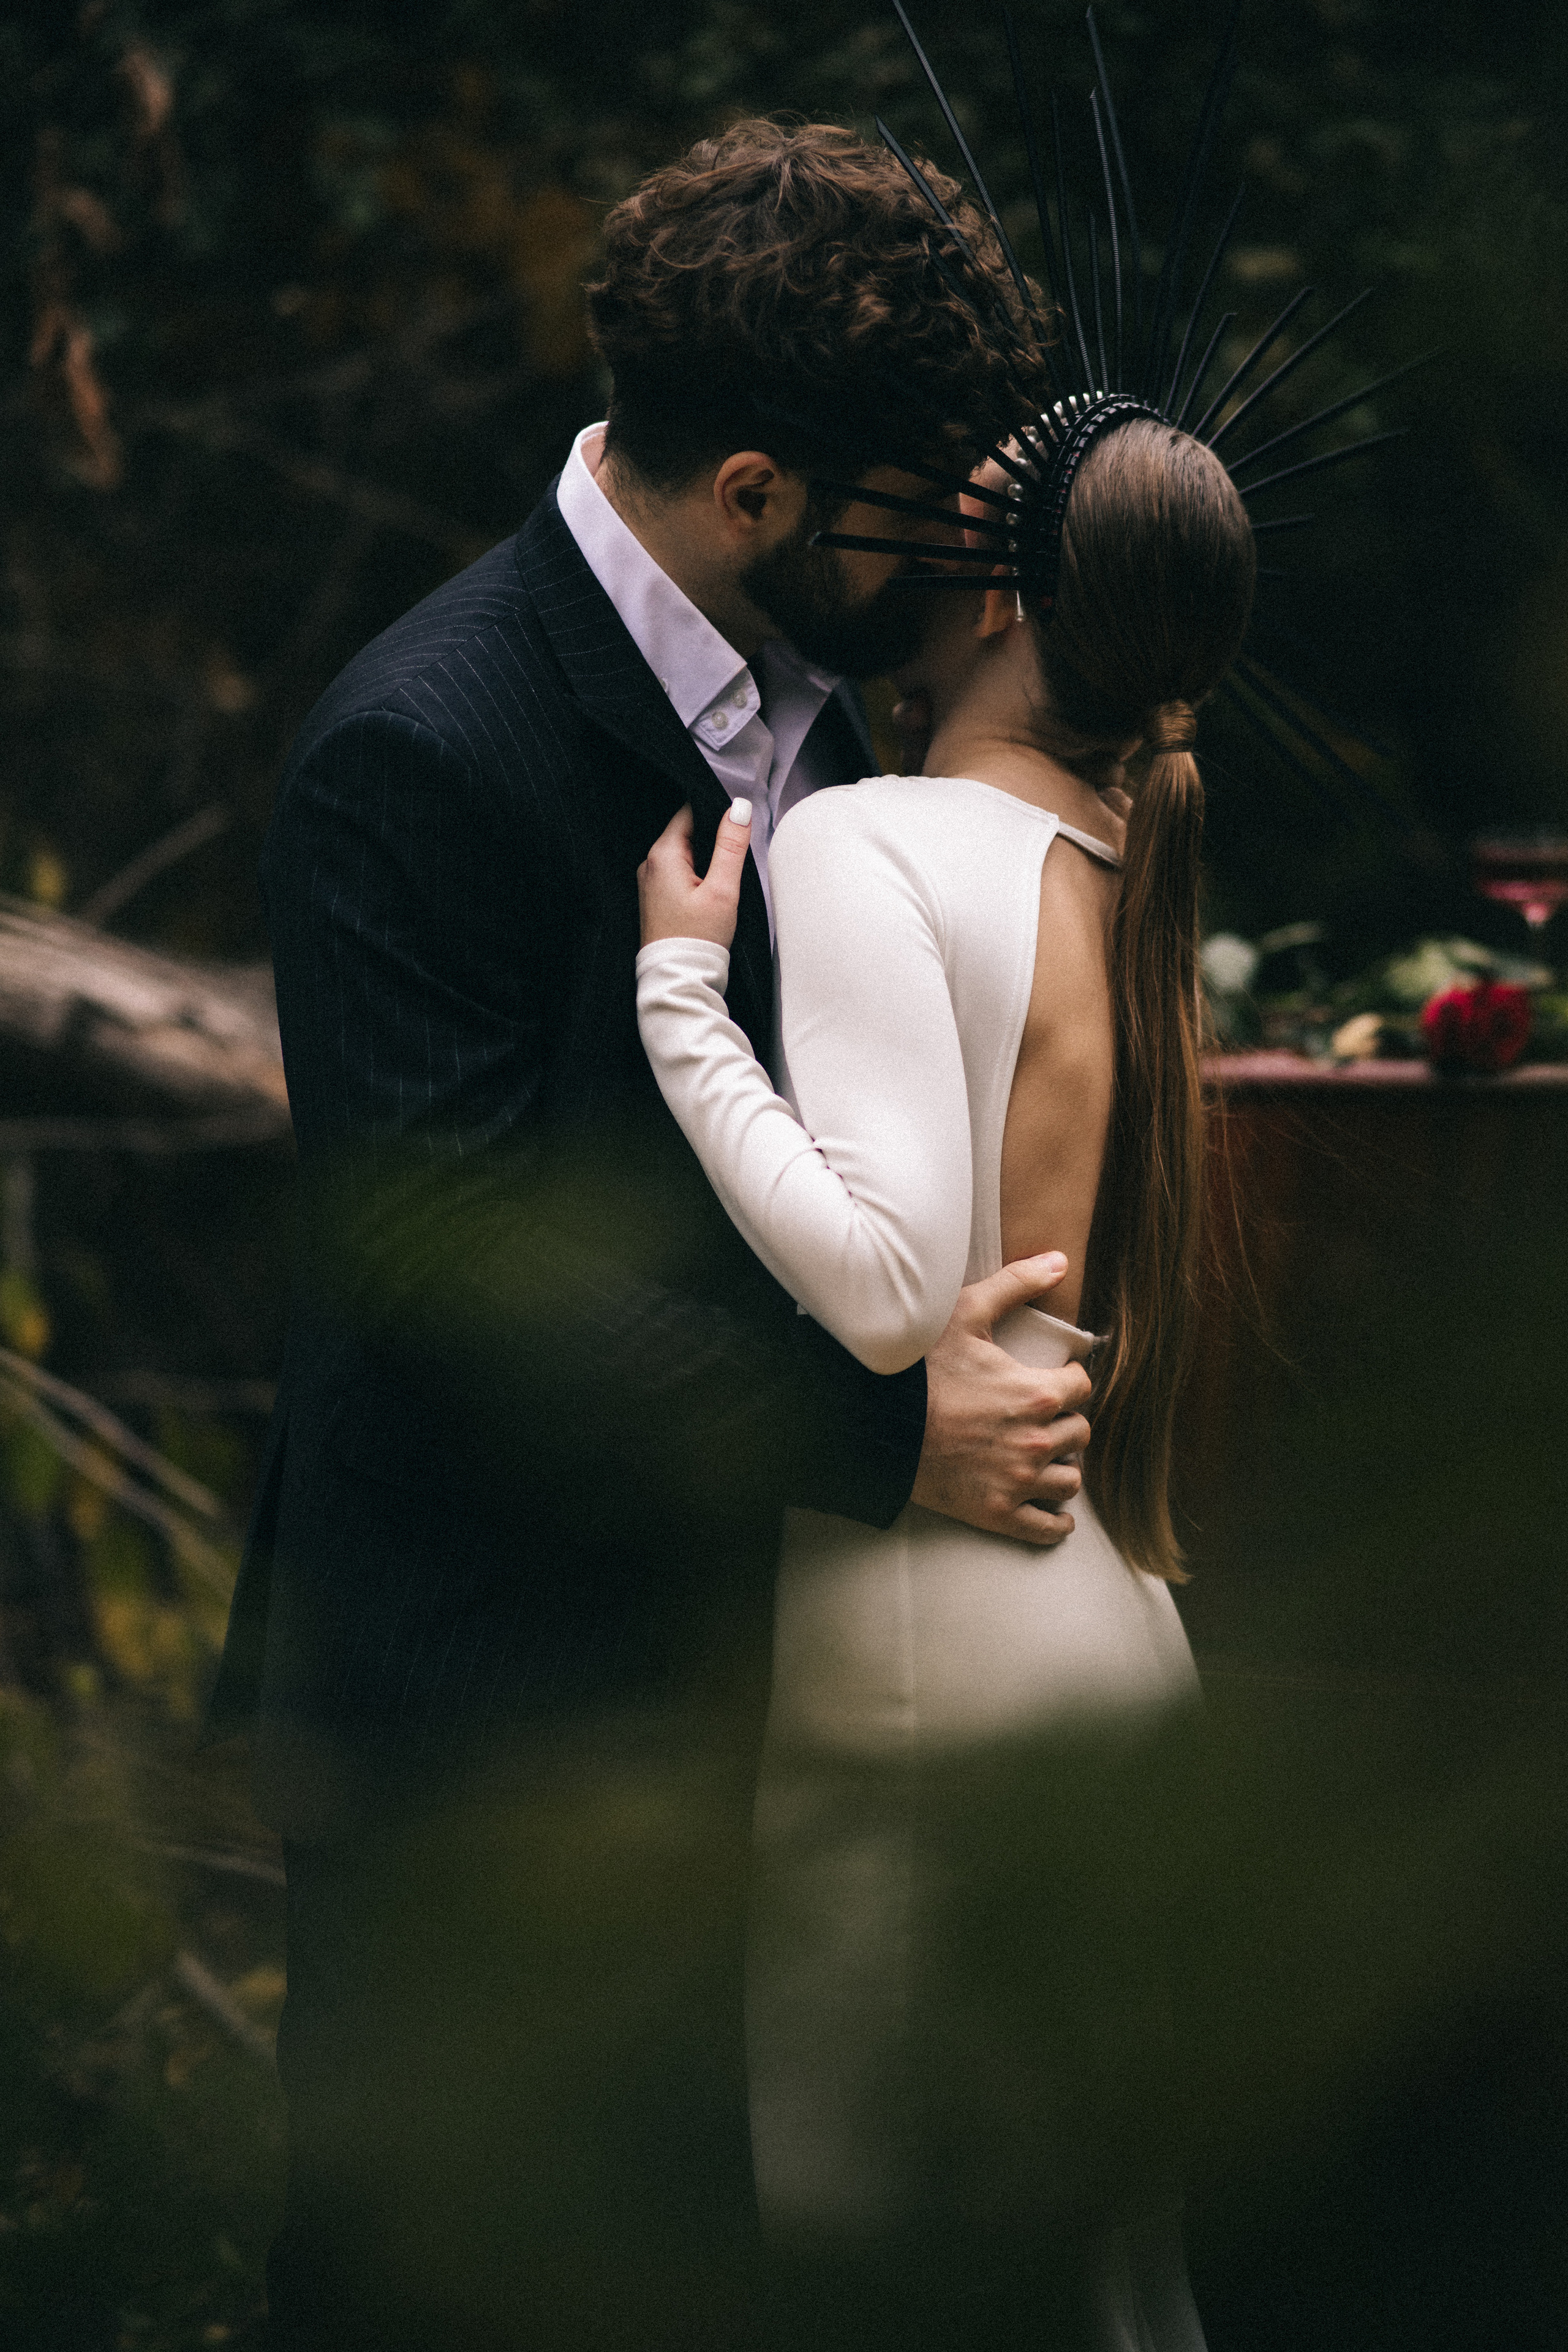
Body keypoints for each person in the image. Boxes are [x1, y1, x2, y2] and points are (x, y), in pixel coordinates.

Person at [208, 123, 1100, 2352]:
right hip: (483, 1698)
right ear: (759, 491)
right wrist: (897, 1448)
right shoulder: (422, 750)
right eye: (919, 500)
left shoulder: (834, 701)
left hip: (737, 1678)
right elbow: (463, 1298)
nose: (957, 544)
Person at [635, 414, 1257, 2347]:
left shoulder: (871, 839)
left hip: (933, 1646)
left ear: (997, 590)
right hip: (1102, 1612)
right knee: (1104, 2277)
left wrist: (679, 1001)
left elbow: (895, 1292)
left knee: (895, 2268)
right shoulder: (1112, 854)